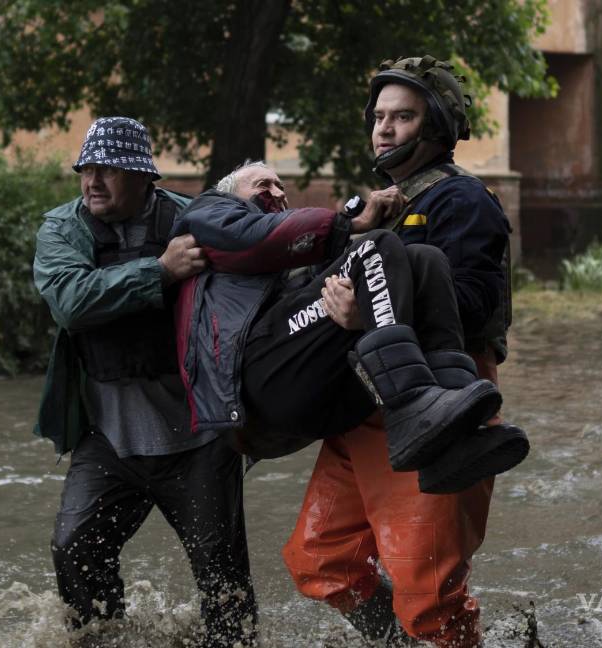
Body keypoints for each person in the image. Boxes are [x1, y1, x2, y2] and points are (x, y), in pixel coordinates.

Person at [282, 56, 530, 647]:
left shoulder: (463, 201)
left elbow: (470, 305)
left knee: (430, 596)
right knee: (320, 560)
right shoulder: (380, 206)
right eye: (379, 117)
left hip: (440, 403)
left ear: (437, 126)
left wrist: (369, 313)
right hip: (364, 404)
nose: (384, 129)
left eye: (403, 117)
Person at [31, 116, 256, 646]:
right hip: (108, 441)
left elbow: (261, 272)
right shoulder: (63, 229)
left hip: (199, 442)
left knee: (225, 588)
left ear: (143, 177)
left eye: (108, 170)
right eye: (85, 169)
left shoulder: (196, 220)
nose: (92, 181)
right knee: (74, 548)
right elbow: (69, 301)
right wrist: (160, 272)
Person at [171, 161, 527, 490]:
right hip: (253, 386)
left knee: (425, 258)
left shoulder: (287, 262)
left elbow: (304, 284)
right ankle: (409, 409)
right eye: (263, 184)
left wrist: (358, 311)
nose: (278, 192)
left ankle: (456, 430)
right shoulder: (209, 212)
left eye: (282, 186)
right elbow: (250, 236)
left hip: (305, 387)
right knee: (377, 245)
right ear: (227, 194)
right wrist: (350, 225)